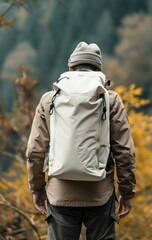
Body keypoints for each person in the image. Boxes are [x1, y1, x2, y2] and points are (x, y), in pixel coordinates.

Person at [26, 42, 136, 240]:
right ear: (98, 69)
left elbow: (35, 151)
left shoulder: (49, 100)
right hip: (100, 195)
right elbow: (124, 151)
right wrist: (127, 192)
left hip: (59, 196)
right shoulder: (110, 100)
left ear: (70, 68)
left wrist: (37, 189)